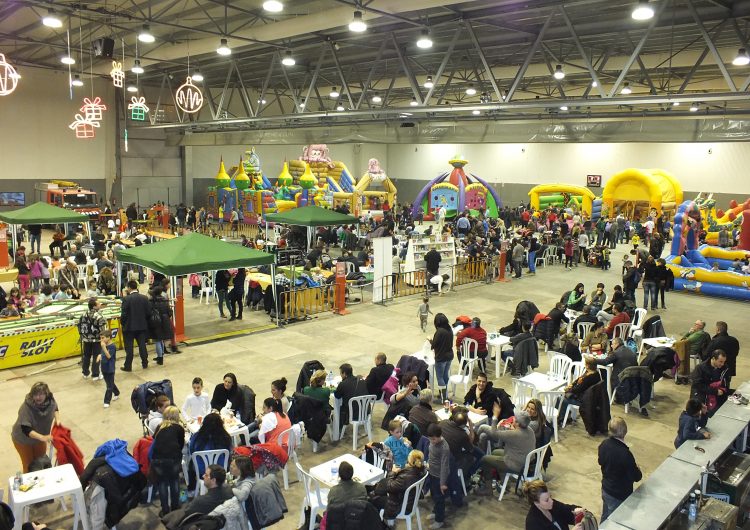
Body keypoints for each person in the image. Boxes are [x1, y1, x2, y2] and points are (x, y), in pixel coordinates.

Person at [477, 410, 536, 495]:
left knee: (485, 459)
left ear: (517, 423)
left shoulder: (514, 434)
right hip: (525, 462)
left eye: (515, 419)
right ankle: (504, 483)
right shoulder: (530, 430)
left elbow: (494, 433)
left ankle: (488, 488)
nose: (513, 419)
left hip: (515, 464)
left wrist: (495, 417)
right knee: (495, 452)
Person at [598, 417, 642, 521]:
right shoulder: (625, 454)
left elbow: (600, 462)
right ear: (625, 431)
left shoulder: (604, 444)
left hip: (606, 489)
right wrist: (638, 470)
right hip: (618, 494)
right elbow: (635, 476)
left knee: (605, 516)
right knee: (616, 521)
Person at [11, 382, 60, 472]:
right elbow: (26, 429)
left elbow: (55, 408)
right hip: (23, 439)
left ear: (46, 394)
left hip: (40, 438)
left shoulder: (50, 401)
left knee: (41, 462)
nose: (38, 397)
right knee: (29, 465)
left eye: (41, 394)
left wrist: (58, 420)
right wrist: (43, 437)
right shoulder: (26, 407)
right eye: (35, 395)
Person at [150, 406, 185, 516]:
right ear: (176, 416)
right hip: (173, 458)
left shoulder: (160, 426)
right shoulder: (179, 428)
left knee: (162, 483)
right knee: (174, 481)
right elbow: (181, 445)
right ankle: (175, 507)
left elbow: (154, 439)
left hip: (157, 459)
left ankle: (165, 510)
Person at [187, 412, 232, 490]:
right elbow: (228, 452)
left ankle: (192, 488)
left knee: (191, 462)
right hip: (221, 470)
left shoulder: (197, 436)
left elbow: (191, 451)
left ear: (204, 424)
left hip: (202, 472)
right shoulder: (225, 437)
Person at [382, 450, 426, 521]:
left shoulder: (405, 477)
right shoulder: (422, 470)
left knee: (376, 498)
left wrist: (392, 473)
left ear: (409, 461)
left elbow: (389, 487)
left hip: (401, 506)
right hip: (412, 501)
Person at [558, 358, 602, 424]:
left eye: (585, 364)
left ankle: (561, 418)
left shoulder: (590, 378)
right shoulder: (594, 373)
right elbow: (579, 379)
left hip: (583, 400)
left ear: (587, 366)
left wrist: (569, 389)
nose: (584, 365)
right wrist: (572, 385)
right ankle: (564, 415)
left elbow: (578, 389)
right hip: (585, 396)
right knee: (562, 395)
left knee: (560, 398)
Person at [426, 423, 452, 530]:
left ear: (440, 436)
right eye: (430, 439)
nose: (432, 441)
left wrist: (442, 483)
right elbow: (431, 454)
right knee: (434, 496)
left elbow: (444, 467)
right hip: (432, 473)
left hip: (439, 476)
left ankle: (439, 520)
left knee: (439, 499)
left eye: (434, 439)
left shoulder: (444, 448)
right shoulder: (433, 440)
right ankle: (435, 511)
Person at [121, 280, 150, 372]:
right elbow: (148, 313)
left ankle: (128, 366)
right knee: (142, 345)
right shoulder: (144, 298)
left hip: (129, 327)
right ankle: (145, 363)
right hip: (141, 326)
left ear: (129, 288)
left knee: (129, 348)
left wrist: (123, 323)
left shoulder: (126, 299)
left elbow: (124, 314)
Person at [690, 350, 729, 415]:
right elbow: (698, 385)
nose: (722, 364)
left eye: (724, 362)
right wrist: (715, 391)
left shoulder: (724, 368)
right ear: (713, 359)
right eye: (720, 361)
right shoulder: (700, 368)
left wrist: (723, 390)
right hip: (701, 398)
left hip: (716, 398)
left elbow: (725, 383)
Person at [78, 297, 107, 380]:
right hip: (96, 340)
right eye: (98, 304)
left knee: (86, 356)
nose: (100, 305)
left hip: (86, 339)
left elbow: (79, 326)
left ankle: (85, 373)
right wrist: (104, 340)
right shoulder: (99, 316)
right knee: (96, 356)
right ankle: (95, 374)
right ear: (94, 306)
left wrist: (83, 336)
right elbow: (103, 330)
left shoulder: (83, 314)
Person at [704, 321, 739, 387]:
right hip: (730, 368)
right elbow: (736, 353)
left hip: (716, 370)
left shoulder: (715, 341)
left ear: (718, 329)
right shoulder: (734, 340)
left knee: (714, 388)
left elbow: (707, 355)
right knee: (725, 386)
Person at [334, 363, 366, 429]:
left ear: (344, 373)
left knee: (337, 410)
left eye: (341, 373)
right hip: (365, 411)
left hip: (352, 414)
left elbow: (337, 396)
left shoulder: (343, 384)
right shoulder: (361, 381)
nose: (340, 375)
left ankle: (338, 430)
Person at [430, 313, 454, 400]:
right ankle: (444, 394)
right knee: (445, 376)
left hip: (441, 357)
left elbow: (434, 345)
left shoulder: (439, 331)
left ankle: (443, 398)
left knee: (440, 378)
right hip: (449, 356)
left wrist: (430, 340)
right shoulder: (449, 329)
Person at [149, 286, 172, 366]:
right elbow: (169, 312)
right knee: (161, 339)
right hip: (165, 322)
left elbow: (149, 312)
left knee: (157, 340)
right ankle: (161, 354)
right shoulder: (164, 300)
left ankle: (160, 358)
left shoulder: (152, 301)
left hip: (156, 323)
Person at [99, 332, 120, 408]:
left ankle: (106, 401)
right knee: (109, 383)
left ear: (108, 337)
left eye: (103, 338)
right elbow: (103, 354)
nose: (101, 340)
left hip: (110, 368)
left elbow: (108, 356)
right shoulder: (104, 345)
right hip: (104, 367)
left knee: (109, 386)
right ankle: (117, 392)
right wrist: (99, 356)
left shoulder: (112, 346)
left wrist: (104, 347)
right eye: (101, 338)